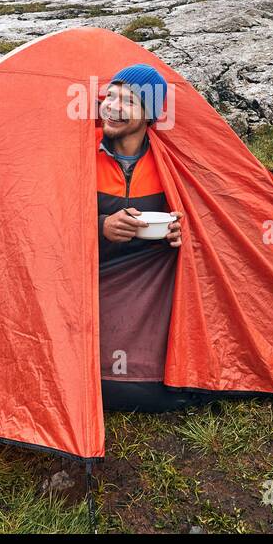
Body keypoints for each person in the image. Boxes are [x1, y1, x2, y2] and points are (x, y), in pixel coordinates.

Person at [96, 63, 201, 412]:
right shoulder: (81, 156)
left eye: (127, 100)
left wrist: (174, 231)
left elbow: (194, 215)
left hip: (147, 274)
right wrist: (101, 225)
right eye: (109, 96)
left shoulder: (165, 161)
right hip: (90, 273)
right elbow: (47, 220)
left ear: (149, 115)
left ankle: (168, 373)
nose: (111, 106)